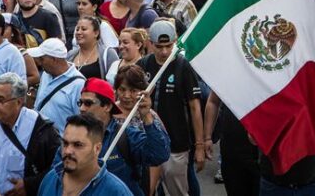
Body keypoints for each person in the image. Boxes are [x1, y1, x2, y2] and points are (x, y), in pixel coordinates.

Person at [137, 20, 204, 196]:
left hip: (177, 145)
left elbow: (195, 107)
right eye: (159, 46)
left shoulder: (183, 66)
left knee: (178, 190)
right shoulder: (143, 65)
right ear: (150, 43)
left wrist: (200, 145)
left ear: (175, 42)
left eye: (168, 45)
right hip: (149, 142)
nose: (164, 51)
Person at [72, 77, 169, 195]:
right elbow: (59, 173)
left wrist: (147, 116)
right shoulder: (72, 137)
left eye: (88, 103)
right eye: (80, 103)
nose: (82, 109)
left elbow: (159, 155)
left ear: (107, 106)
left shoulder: (125, 136)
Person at [0, 72, 60, 196]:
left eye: (0, 100)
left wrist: (30, 185)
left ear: (19, 102)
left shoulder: (41, 129)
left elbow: (59, 167)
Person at [38, 113, 133, 196]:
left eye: (78, 145)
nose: (68, 151)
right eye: (65, 143)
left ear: (97, 149)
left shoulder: (116, 192)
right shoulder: (50, 179)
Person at [28, 38, 86, 133]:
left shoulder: (79, 84)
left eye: (42, 58)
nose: (39, 62)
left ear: (54, 59)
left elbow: (81, 121)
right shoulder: (46, 74)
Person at [67, 16, 119, 80]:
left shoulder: (108, 54)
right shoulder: (70, 55)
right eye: (77, 29)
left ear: (96, 33)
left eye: (84, 29)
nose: (78, 32)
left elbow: (116, 81)